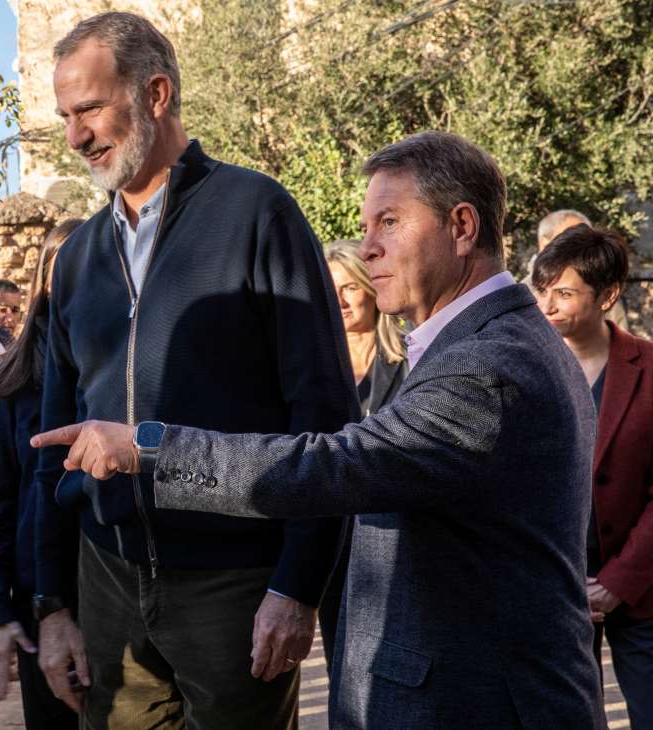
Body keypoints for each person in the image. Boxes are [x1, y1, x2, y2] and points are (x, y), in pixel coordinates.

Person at [33, 130, 605, 728]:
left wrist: (147, 448)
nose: (368, 247)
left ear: (461, 227)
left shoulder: (486, 367)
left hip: (472, 702)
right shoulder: (498, 340)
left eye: (389, 223)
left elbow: (335, 466)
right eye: (367, 226)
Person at [32, 12, 357, 728]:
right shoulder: (80, 255)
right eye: (64, 115)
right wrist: (52, 605)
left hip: (235, 586)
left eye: (89, 109)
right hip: (108, 582)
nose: (75, 136)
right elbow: (49, 444)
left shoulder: (258, 213)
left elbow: (326, 418)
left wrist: (296, 587)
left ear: (156, 94)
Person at [533, 225, 653, 729]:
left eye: (563, 292)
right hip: (551, 589)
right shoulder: (524, 366)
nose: (546, 305)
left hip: (642, 593)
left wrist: (616, 583)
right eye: (541, 290)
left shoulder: (649, 367)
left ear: (606, 296)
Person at [0, 219, 83, 730]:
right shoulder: (14, 384)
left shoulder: (128, 373)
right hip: (40, 601)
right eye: (69, 268)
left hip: (123, 596)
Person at [316, 240, 410, 672]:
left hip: (397, 541)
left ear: (371, 289)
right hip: (332, 540)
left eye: (350, 287)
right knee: (343, 667)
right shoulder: (313, 364)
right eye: (331, 288)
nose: (340, 299)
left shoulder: (412, 357)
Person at [525, 209, 628, 326]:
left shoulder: (603, 298)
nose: (547, 308)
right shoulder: (521, 297)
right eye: (567, 239)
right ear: (545, 244)